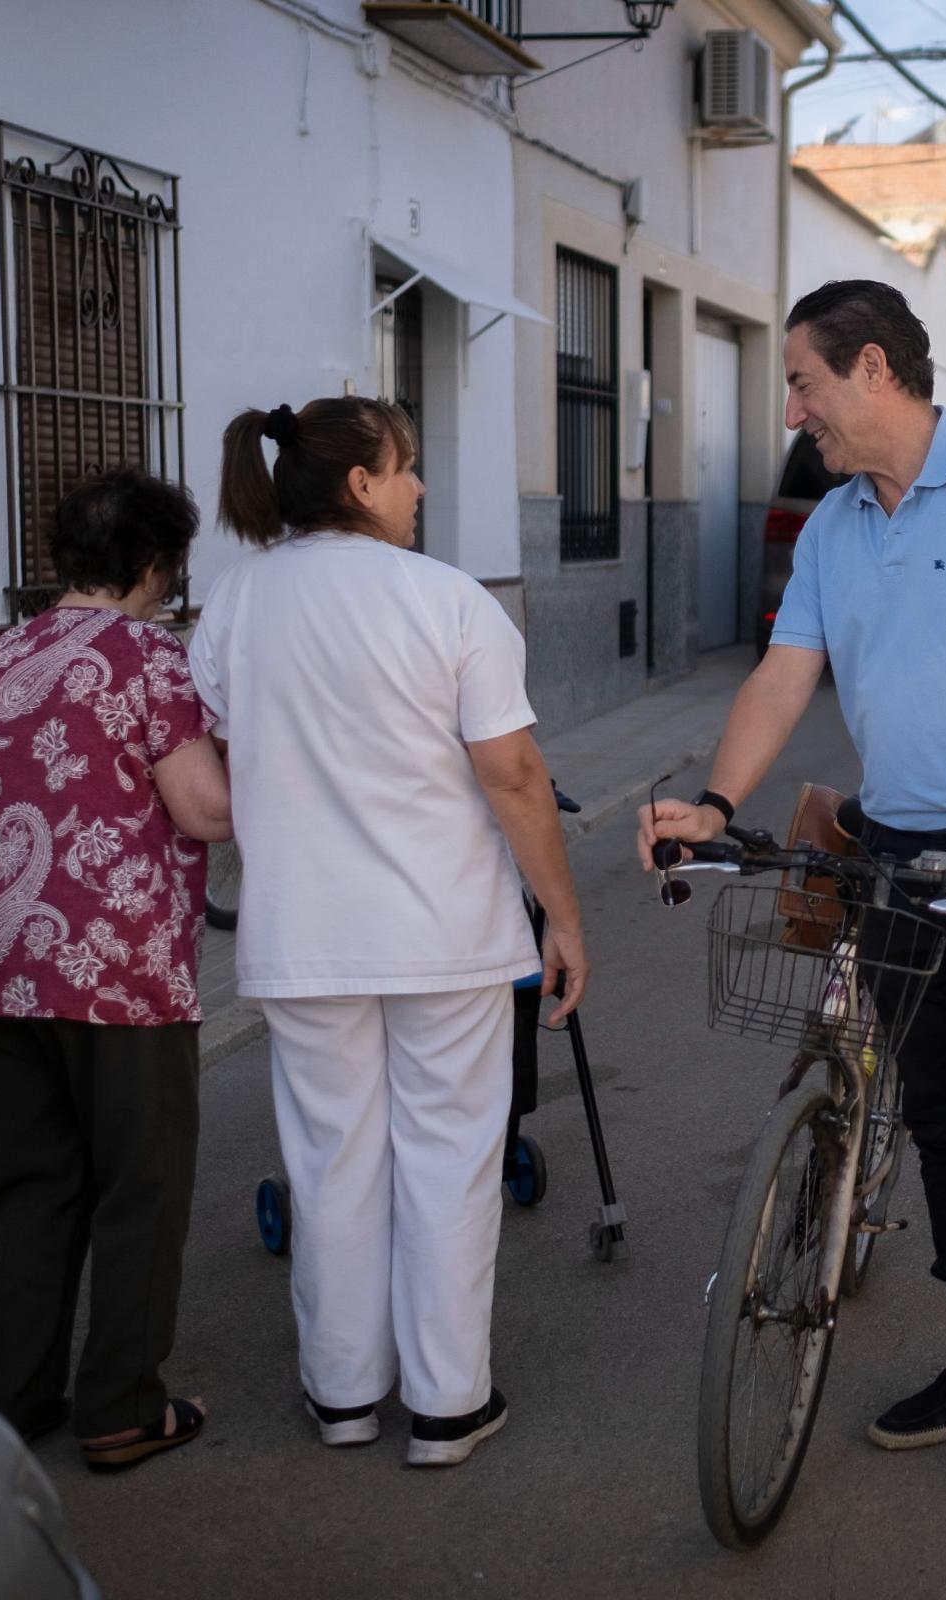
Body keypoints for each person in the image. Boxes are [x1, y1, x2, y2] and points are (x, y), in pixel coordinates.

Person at [637, 280, 946, 1536]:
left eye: (802, 382)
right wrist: (715, 801)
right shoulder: (837, 525)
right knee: (944, 1116)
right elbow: (784, 674)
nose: (793, 411)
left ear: (873, 371)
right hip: (899, 844)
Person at [188, 397, 586, 1469]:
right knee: (450, 1159)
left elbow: (224, 752)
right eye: (406, 468)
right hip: (444, 932)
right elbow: (514, 777)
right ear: (361, 482)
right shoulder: (448, 601)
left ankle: (344, 1394)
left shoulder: (237, 602)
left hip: (301, 935)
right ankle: (448, 1406)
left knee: (331, 1165)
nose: (418, 487)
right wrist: (562, 915)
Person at [0, 468, 232, 1474]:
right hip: (115, 971)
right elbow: (203, 808)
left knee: (34, 1187)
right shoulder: (150, 657)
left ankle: (15, 1398)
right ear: (151, 563)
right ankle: (119, 1406)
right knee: (140, 1186)